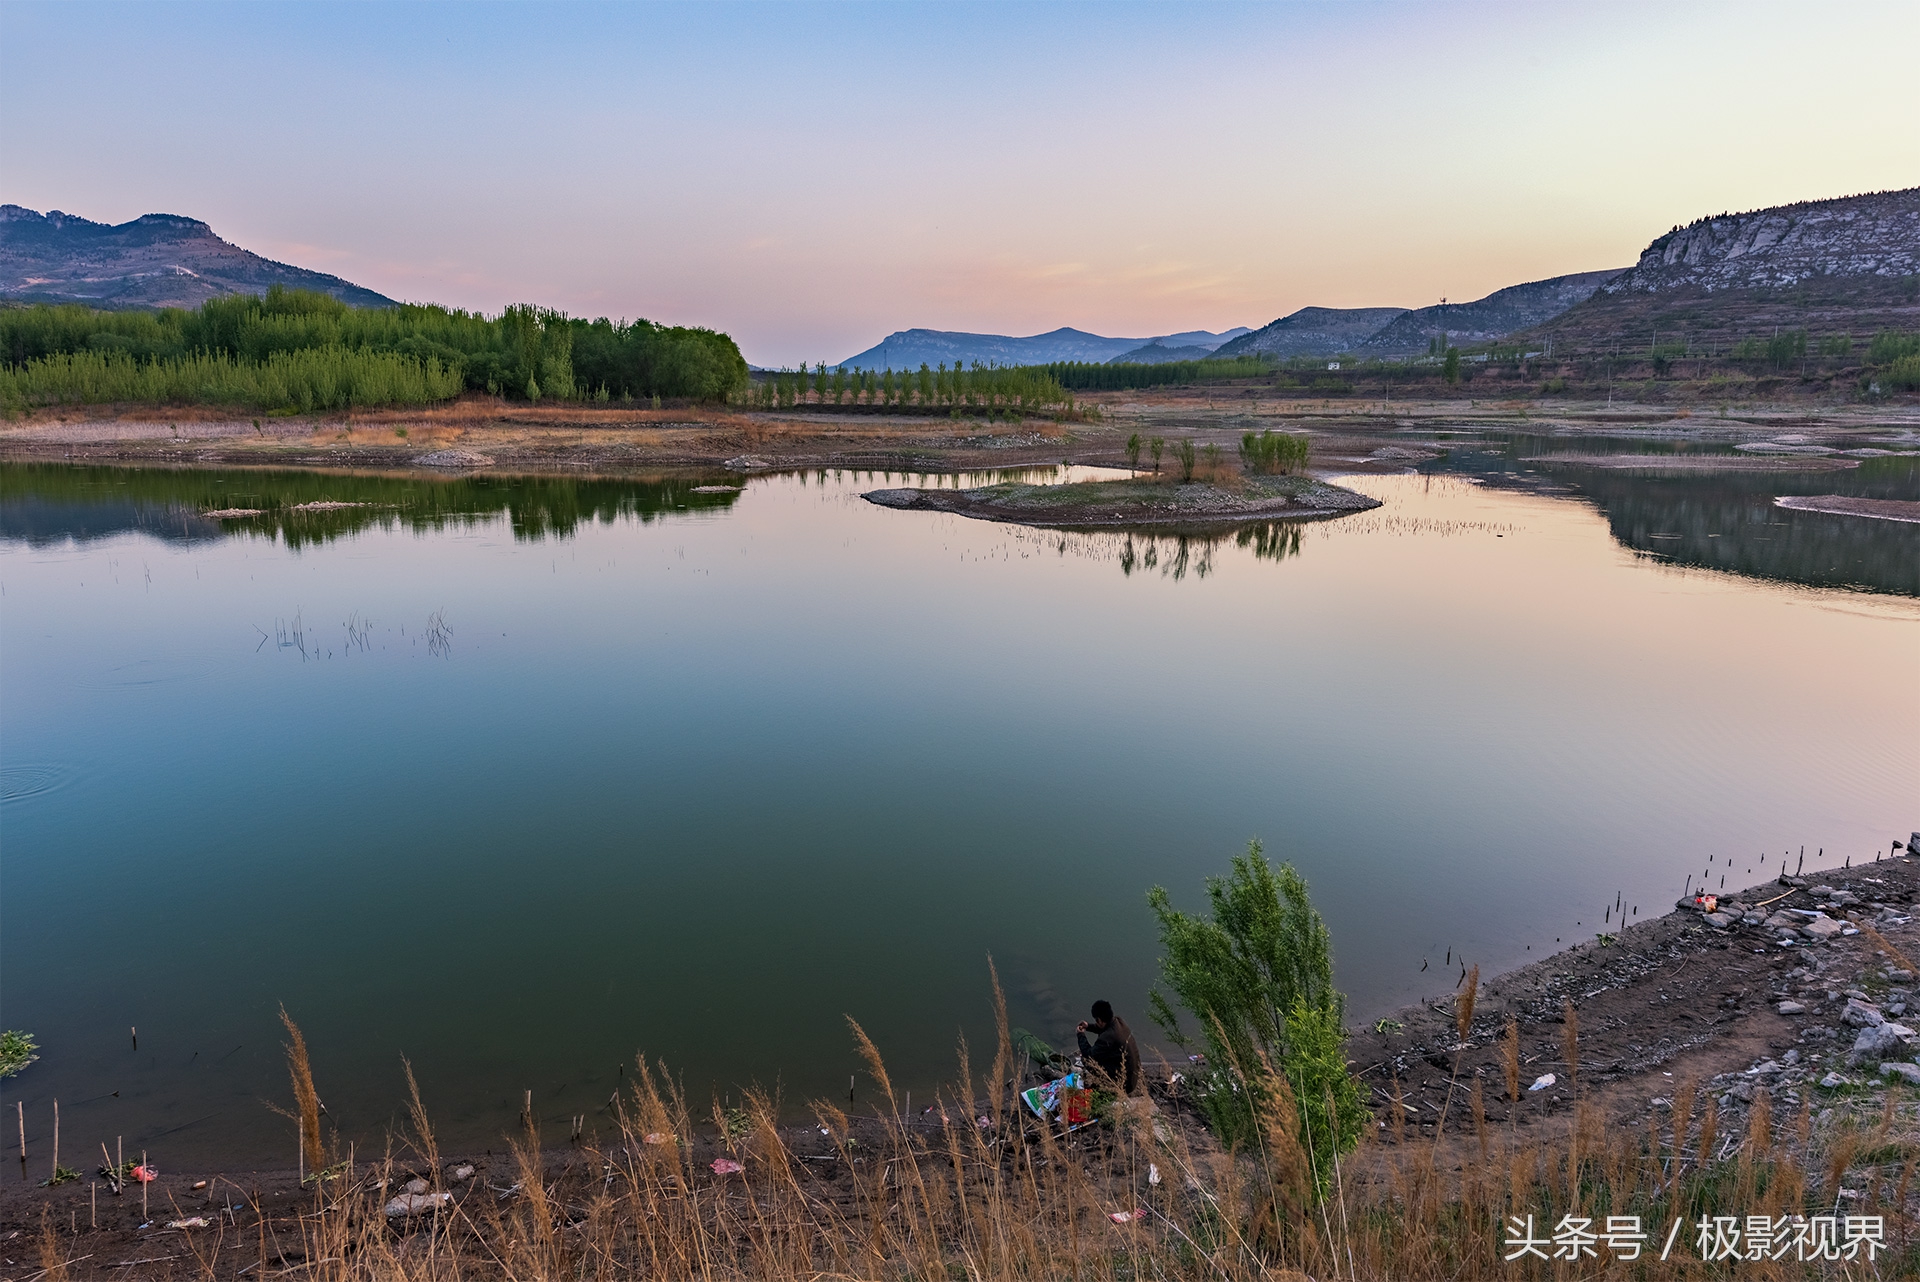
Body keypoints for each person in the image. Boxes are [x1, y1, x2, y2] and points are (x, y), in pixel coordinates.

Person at [1075, 1000, 1141, 1095]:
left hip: (1125, 1085)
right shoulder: (1118, 1021)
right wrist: (1088, 1026)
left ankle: (1108, 1086)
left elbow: (1088, 1054)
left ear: (1099, 1020)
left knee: (1086, 1060)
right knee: (1099, 1054)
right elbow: (1104, 1028)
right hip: (1133, 1078)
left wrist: (1080, 1035)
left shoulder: (1108, 1037)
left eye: (1096, 1020)